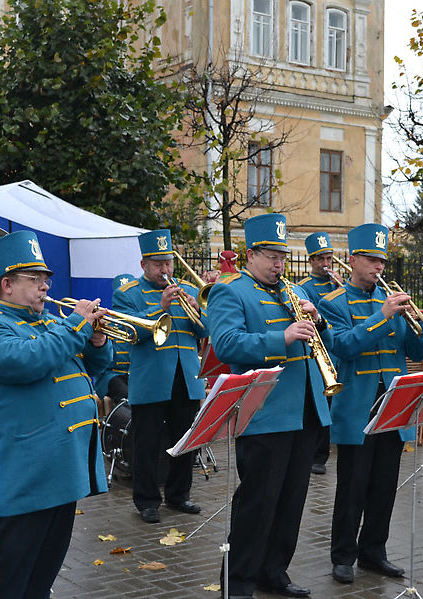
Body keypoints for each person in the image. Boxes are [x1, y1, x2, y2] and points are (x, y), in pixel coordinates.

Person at [0, 230, 111, 598]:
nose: (45, 286)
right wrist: (76, 326)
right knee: (4, 575)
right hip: (23, 473)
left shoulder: (46, 323)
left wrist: (96, 341)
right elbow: (29, 361)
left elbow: (91, 369)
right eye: (35, 279)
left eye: (46, 279)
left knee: (41, 572)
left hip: (61, 468)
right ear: (7, 285)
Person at [207, 213, 333, 599]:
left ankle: (274, 571)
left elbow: (317, 336)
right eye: (270, 255)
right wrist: (281, 337)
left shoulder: (295, 291)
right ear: (250, 255)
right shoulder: (231, 291)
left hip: (306, 409)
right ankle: (239, 582)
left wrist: (319, 320)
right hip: (266, 411)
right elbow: (226, 344)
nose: (278, 263)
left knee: (291, 501)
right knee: (258, 503)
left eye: (282, 255)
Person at [318, 223, 423, 585]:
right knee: (352, 486)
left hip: (393, 404)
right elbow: (345, 346)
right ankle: (343, 555)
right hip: (356, 406)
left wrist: (415, 325)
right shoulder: (332, 303)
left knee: (384, 486)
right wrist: (382, 317)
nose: (378, 267)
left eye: (382, 261)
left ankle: (374, 552)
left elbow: (417, 352)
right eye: (371, 260)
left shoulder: (394, 300)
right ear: (353, 260)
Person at [112, 230, 208, 524]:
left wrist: (198, 310)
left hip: (186, 378)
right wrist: (160, 307)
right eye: (158, 265)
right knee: (147, 443)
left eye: (168, 263)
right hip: (152, 380)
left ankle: (179, 495)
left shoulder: (188, 289)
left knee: (185, 441)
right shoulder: (127, 294)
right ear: (144, 265)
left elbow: (205, 331)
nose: (165, 270)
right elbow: (129, 334)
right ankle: (147, 500)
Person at [297, 232, 342, 475]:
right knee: (320, 402)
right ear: (312, 261)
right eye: (321, 259)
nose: (326, 264)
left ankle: (326, 449)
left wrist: (342, 288)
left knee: (334, 402)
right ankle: (317, 455)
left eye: (329, 258)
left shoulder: (338, 283)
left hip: (338, 348)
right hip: (319, 352)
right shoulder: (304, 287)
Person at [94, 273, 134, 412]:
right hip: (112, 376)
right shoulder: (107, 323)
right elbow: (102, 362)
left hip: (137, 375)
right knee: (126, 395)